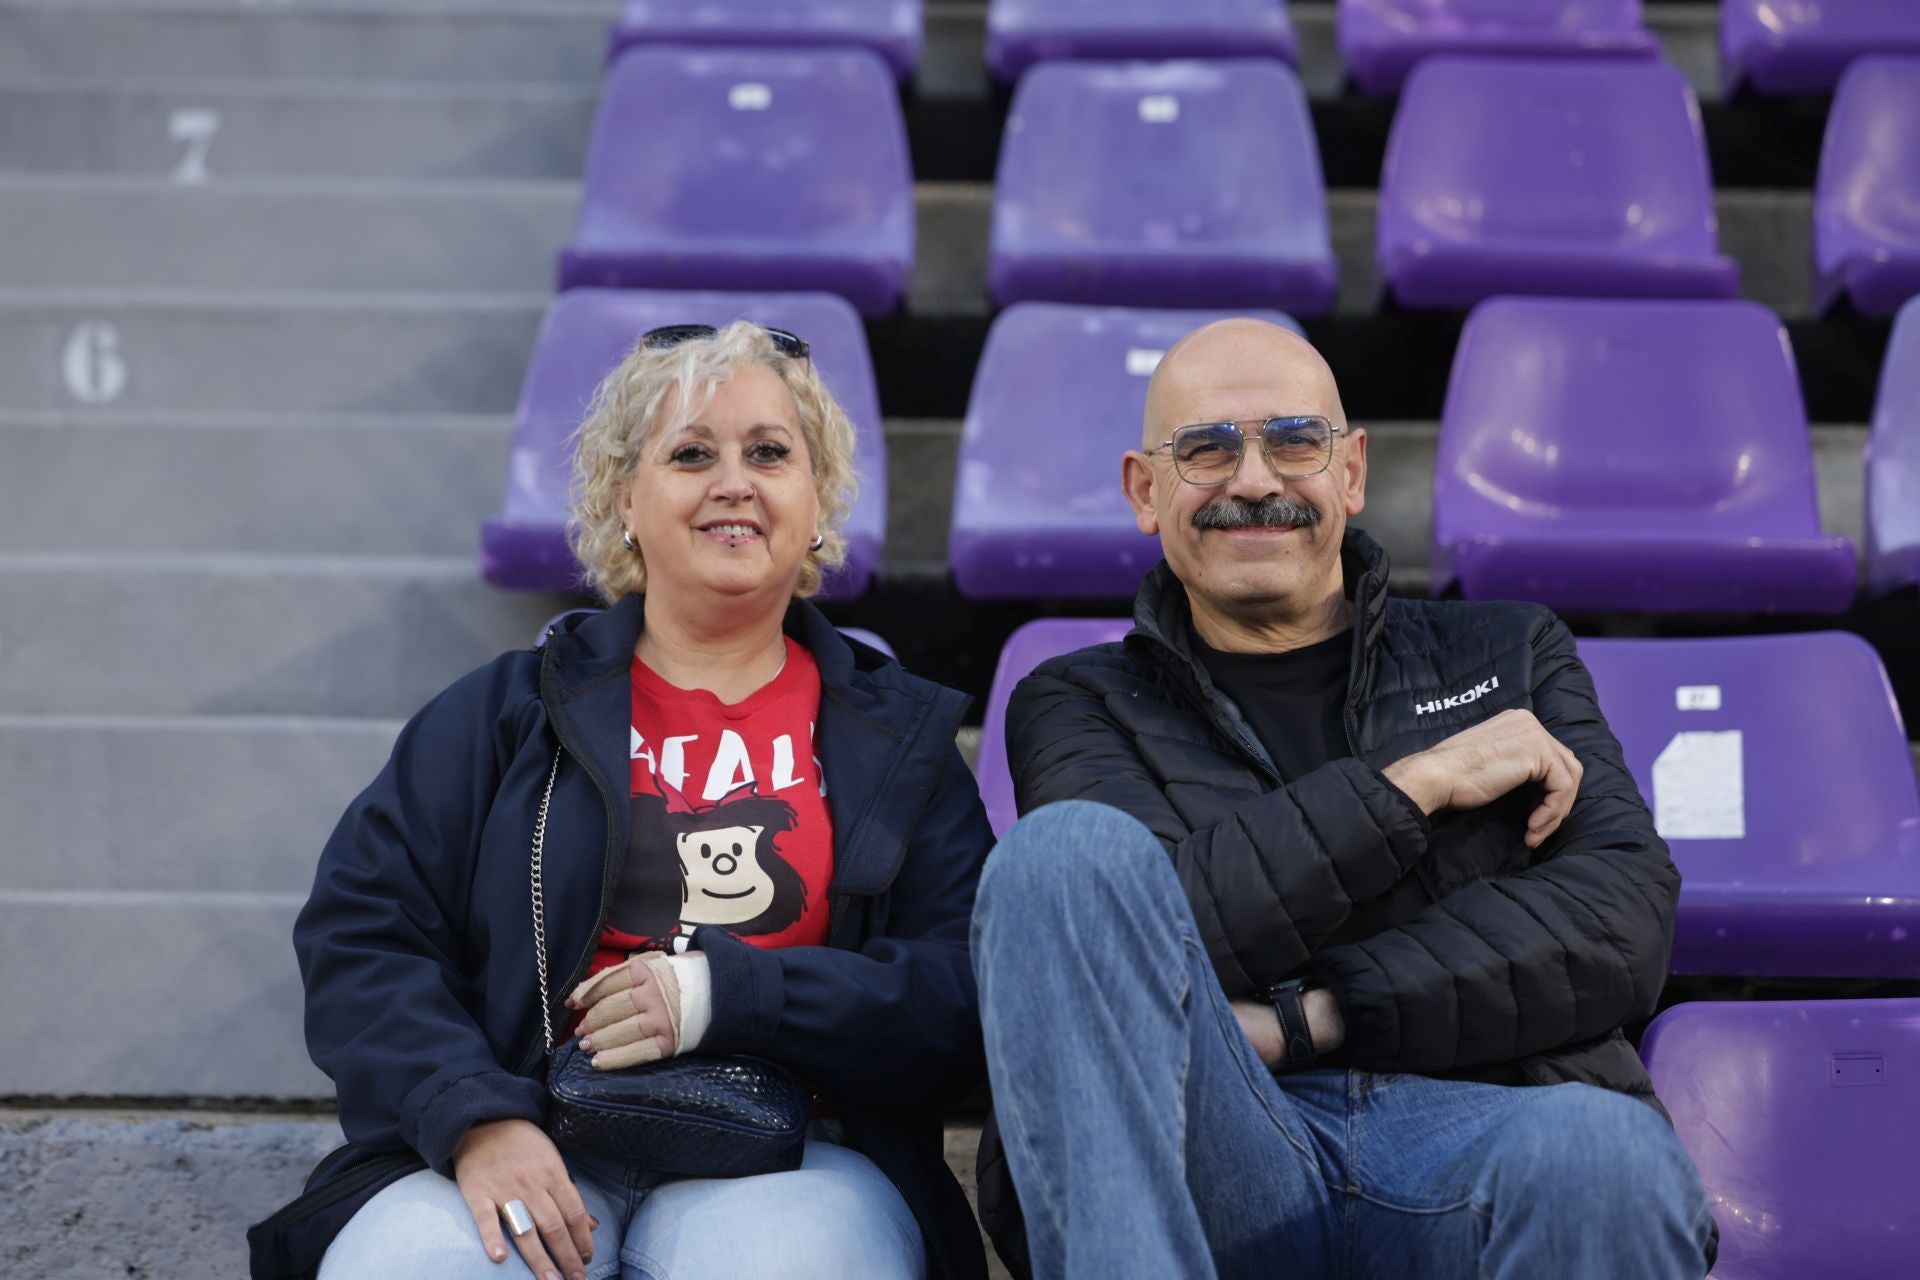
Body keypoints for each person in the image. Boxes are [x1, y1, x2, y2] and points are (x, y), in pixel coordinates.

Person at [971, 318, 1717, 1279]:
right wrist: (1415, 786)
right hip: (1215, 1143)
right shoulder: (1077, 700)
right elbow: (1136, 942)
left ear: (1352, 471)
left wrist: (1311, 1016)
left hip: (1493, 1126)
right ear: (1144, 492)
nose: (1253, 482)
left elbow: (1618, 924)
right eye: (1206, 449)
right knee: (1058, 862)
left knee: (1605, 1153)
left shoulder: (1512, 651)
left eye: (1293, 441)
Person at [248, 321, 995, 1280]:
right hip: (531, 1132)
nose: (734, 481)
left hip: (799, 1153)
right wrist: (476, 1118)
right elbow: (364, 934)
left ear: (817, 504)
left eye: (770, 453)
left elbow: (958, 992)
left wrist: (737, 995)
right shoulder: (505, 711)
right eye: (691, 454)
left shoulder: (903, 741)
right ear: (624, 502)